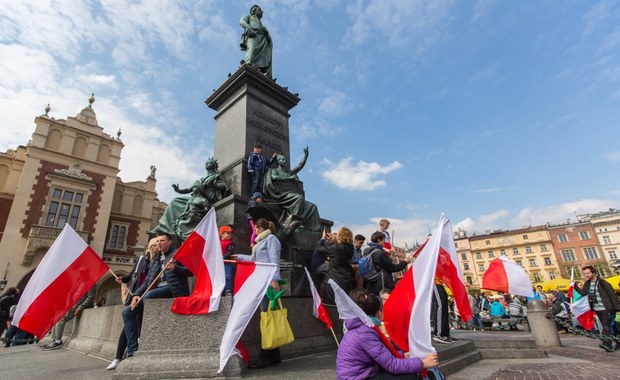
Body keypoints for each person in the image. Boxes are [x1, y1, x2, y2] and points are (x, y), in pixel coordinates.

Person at [337, 287, 438, 380]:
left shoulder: (362, 328)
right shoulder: (364, 333)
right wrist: (423, 363)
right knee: (410, 377)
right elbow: (392, 365)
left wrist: (405, 355)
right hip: (359, 377)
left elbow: (384, 357)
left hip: (364, 373)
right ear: (379, 313)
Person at [122, 233, 193, 358]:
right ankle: (132, 350)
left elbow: (190, 271)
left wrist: (174, 268)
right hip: (155, 289)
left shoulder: (177, 253)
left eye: (162, 241)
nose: (159, 243)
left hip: (173, 289)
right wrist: (136, 295)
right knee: (127, 312)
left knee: (149, 296)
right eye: (157, 241)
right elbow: (147, 282)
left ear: (170, 242)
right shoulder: (155, 260)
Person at [234, 218, 282, 368]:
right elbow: (256, 259)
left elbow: (274, 260)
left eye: (255, 229)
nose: (254, 231)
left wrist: (274, 279)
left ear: (260, 228)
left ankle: (265, 356)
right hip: (261, 282)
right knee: (269, 318)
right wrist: (240, 257)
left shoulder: (271, 239)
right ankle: (274, 355)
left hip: (268, 283)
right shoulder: (261, 241)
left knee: (267, 319)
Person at [107, 238, 159, 370]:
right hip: (135, 295)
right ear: (150, 247)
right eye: (154, 245)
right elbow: (131, 275)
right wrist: (122, 279)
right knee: (128, 326)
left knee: (134, 325)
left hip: (147, 295)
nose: (156, 247)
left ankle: (127, 354)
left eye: (157, 245)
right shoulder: (142, 260)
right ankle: (119, 356)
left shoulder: (159, 261)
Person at [151, 158, 230, 240]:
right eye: (207, 162)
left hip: (206, 198)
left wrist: (214, 185)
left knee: (185, 204)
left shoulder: (216, 176)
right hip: (195, 198)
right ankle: (162, 228)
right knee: (175, 201)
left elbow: (224, 187)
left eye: (210, 162)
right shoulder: (202, 179)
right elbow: (189, 189)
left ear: (214, 165)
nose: (207, 163)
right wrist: (178, 190)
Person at [262, 147, 321, 233]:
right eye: (282, 159)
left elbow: (299, 166)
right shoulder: (273, 170)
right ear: (278, 161)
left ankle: (313, 228)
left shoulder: (288, 173)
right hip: (281, 194)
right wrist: (289, 178)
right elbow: (274, 177)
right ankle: (293, 223)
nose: (284, 161)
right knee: (299, 198)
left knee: (313, 206)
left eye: (285, 159)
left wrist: (305, 156)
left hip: (291, 194)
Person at [574, 265, 620, 352]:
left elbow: (613, 296)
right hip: (597, 309)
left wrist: (618, 309)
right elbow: (583, 293)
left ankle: (607, 344)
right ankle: (616, 343)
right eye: (584, 274)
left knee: (607, 327)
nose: (586, 275)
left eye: (588, 273)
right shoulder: (587, 283)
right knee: (609, 327)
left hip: (606, 309)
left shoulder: (603, 283)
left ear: (594, 273)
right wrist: (574, 286)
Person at [42, 285, 97, 350]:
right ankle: (54, 339)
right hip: (73, 305)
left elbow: (91, 297)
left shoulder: (92, 283)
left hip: (80, 306)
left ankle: (57, 342)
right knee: (57, 315)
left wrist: (80, 307)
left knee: (61, 318)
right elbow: (71, 294)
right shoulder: (80, 282)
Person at [318, 227, 355, 305]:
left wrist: (322, 238)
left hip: (335, 278)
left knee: (333, 303)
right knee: (344, 303)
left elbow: (319, 249)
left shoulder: (336, 248)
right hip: (346, 277)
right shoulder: (351, 247)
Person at [365, 231, 409, 296]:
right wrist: (404, 262)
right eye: (383, 240)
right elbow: (392, 267)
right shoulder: (379, 253)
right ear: (379, 240)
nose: (384, 242)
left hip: (372, 282)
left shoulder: (367, 251)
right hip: (382, 285)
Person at [239, 5, 273, 78]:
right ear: (254, 10)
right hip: (253, 35)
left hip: (263, 40)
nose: (262, 11)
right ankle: (248, 65)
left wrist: (266, 33)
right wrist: (248, 28)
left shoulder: (260, 22)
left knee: (264, 58)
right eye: (259, 9)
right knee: (252, 49)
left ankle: (261, 70)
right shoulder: (248, 16)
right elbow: (242, 21)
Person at [431, 278, 459, 343]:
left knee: (444, 307)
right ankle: (438, 334)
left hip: (439, 283)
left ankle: (445, 334)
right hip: (433, 282)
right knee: (440, 306)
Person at [220, 226, 236, 296]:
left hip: (227, 263)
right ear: (222, 234)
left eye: (230, 233)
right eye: (228, 233)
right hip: (219, 263)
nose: (230, 235)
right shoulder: (217, 242)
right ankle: (219, 290)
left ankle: (228, 290)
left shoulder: (231, 243)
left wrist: (221, 258)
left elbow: (229, 252)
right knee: (219, 277)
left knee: (228, 276)